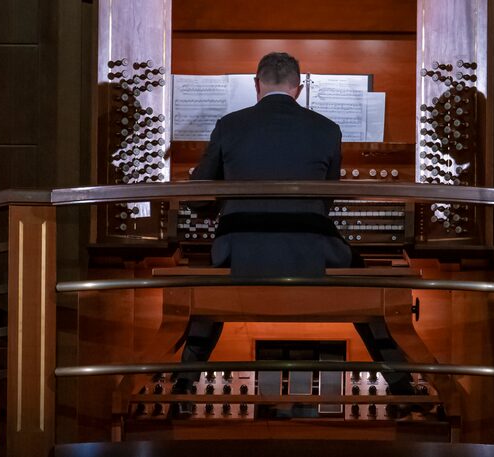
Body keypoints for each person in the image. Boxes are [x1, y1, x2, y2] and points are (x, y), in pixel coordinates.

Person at [172, 52, 416, 409]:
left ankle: (183, 385)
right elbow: (326, 202)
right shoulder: (327, 128)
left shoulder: (229, 125)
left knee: (209, 282)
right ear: (298, 89)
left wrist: (221, 198)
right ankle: (402, 385)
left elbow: (197, 197)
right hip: (311, 255)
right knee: (367, 284)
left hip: (241, 256)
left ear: (257, 84)